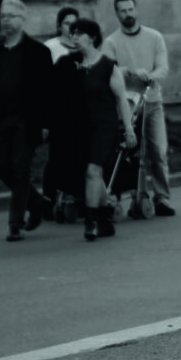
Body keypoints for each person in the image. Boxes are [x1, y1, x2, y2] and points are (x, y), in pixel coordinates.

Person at [0, 0, 53, 242]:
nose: (5, 20)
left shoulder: (38, 52)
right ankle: (37, 201)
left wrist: (46, 123)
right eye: (2, 16)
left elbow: (47, 92)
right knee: (2, 168)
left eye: (11, 16)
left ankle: (15, 223)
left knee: (20, 169)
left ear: (23, 19)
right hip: (2, 119)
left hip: (27, 120)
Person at [101, 0, 175, 216]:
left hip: (152, 103)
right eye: (123, 11)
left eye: (130, 9)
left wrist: (150, 77)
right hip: (126, 107)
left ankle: (162, 198)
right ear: (117, 14)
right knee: (126, 154)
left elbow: (162, 69)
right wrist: (130, 72)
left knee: (158, 152)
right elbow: (107, 71)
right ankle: (128, 194)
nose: (128, 14)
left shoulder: (154, 37)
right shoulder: (111, 42)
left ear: (136, 10)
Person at [69, 19, 137, 240]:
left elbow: (121, 100)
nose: (74, 37)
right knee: (94, 174)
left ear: (92, 37)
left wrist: (128, 129)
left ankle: (91, 222)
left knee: (93, 170)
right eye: (72, 34)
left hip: (105, 127)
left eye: (79, 33)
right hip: (82, 128)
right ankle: (105, 219)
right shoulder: (72, 65)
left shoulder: (108, 66)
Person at [42, 6, 81, 213]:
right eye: (67, 23)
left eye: (75, 23)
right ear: (59, 26)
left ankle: (75, 198)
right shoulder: (51, 47)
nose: (71, 27)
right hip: (57, 110)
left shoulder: (84, 47)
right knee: (56, 158)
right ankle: (49, 200)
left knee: (77, 157)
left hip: (80, 111)